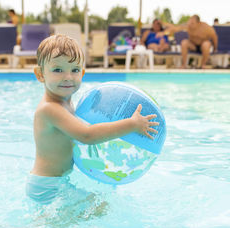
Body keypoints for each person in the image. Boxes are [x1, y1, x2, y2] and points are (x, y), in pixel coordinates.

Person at [26, 34, 159, 206]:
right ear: (40, 74)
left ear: (82, 73)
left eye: (74, 70)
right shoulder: (50, 109)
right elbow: (87, 135)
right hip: (47, 186)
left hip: (56, 182)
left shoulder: (66, 104)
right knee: (99, 207)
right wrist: (131, 124)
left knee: (94, 207)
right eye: (58, 70)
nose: (67, 76)